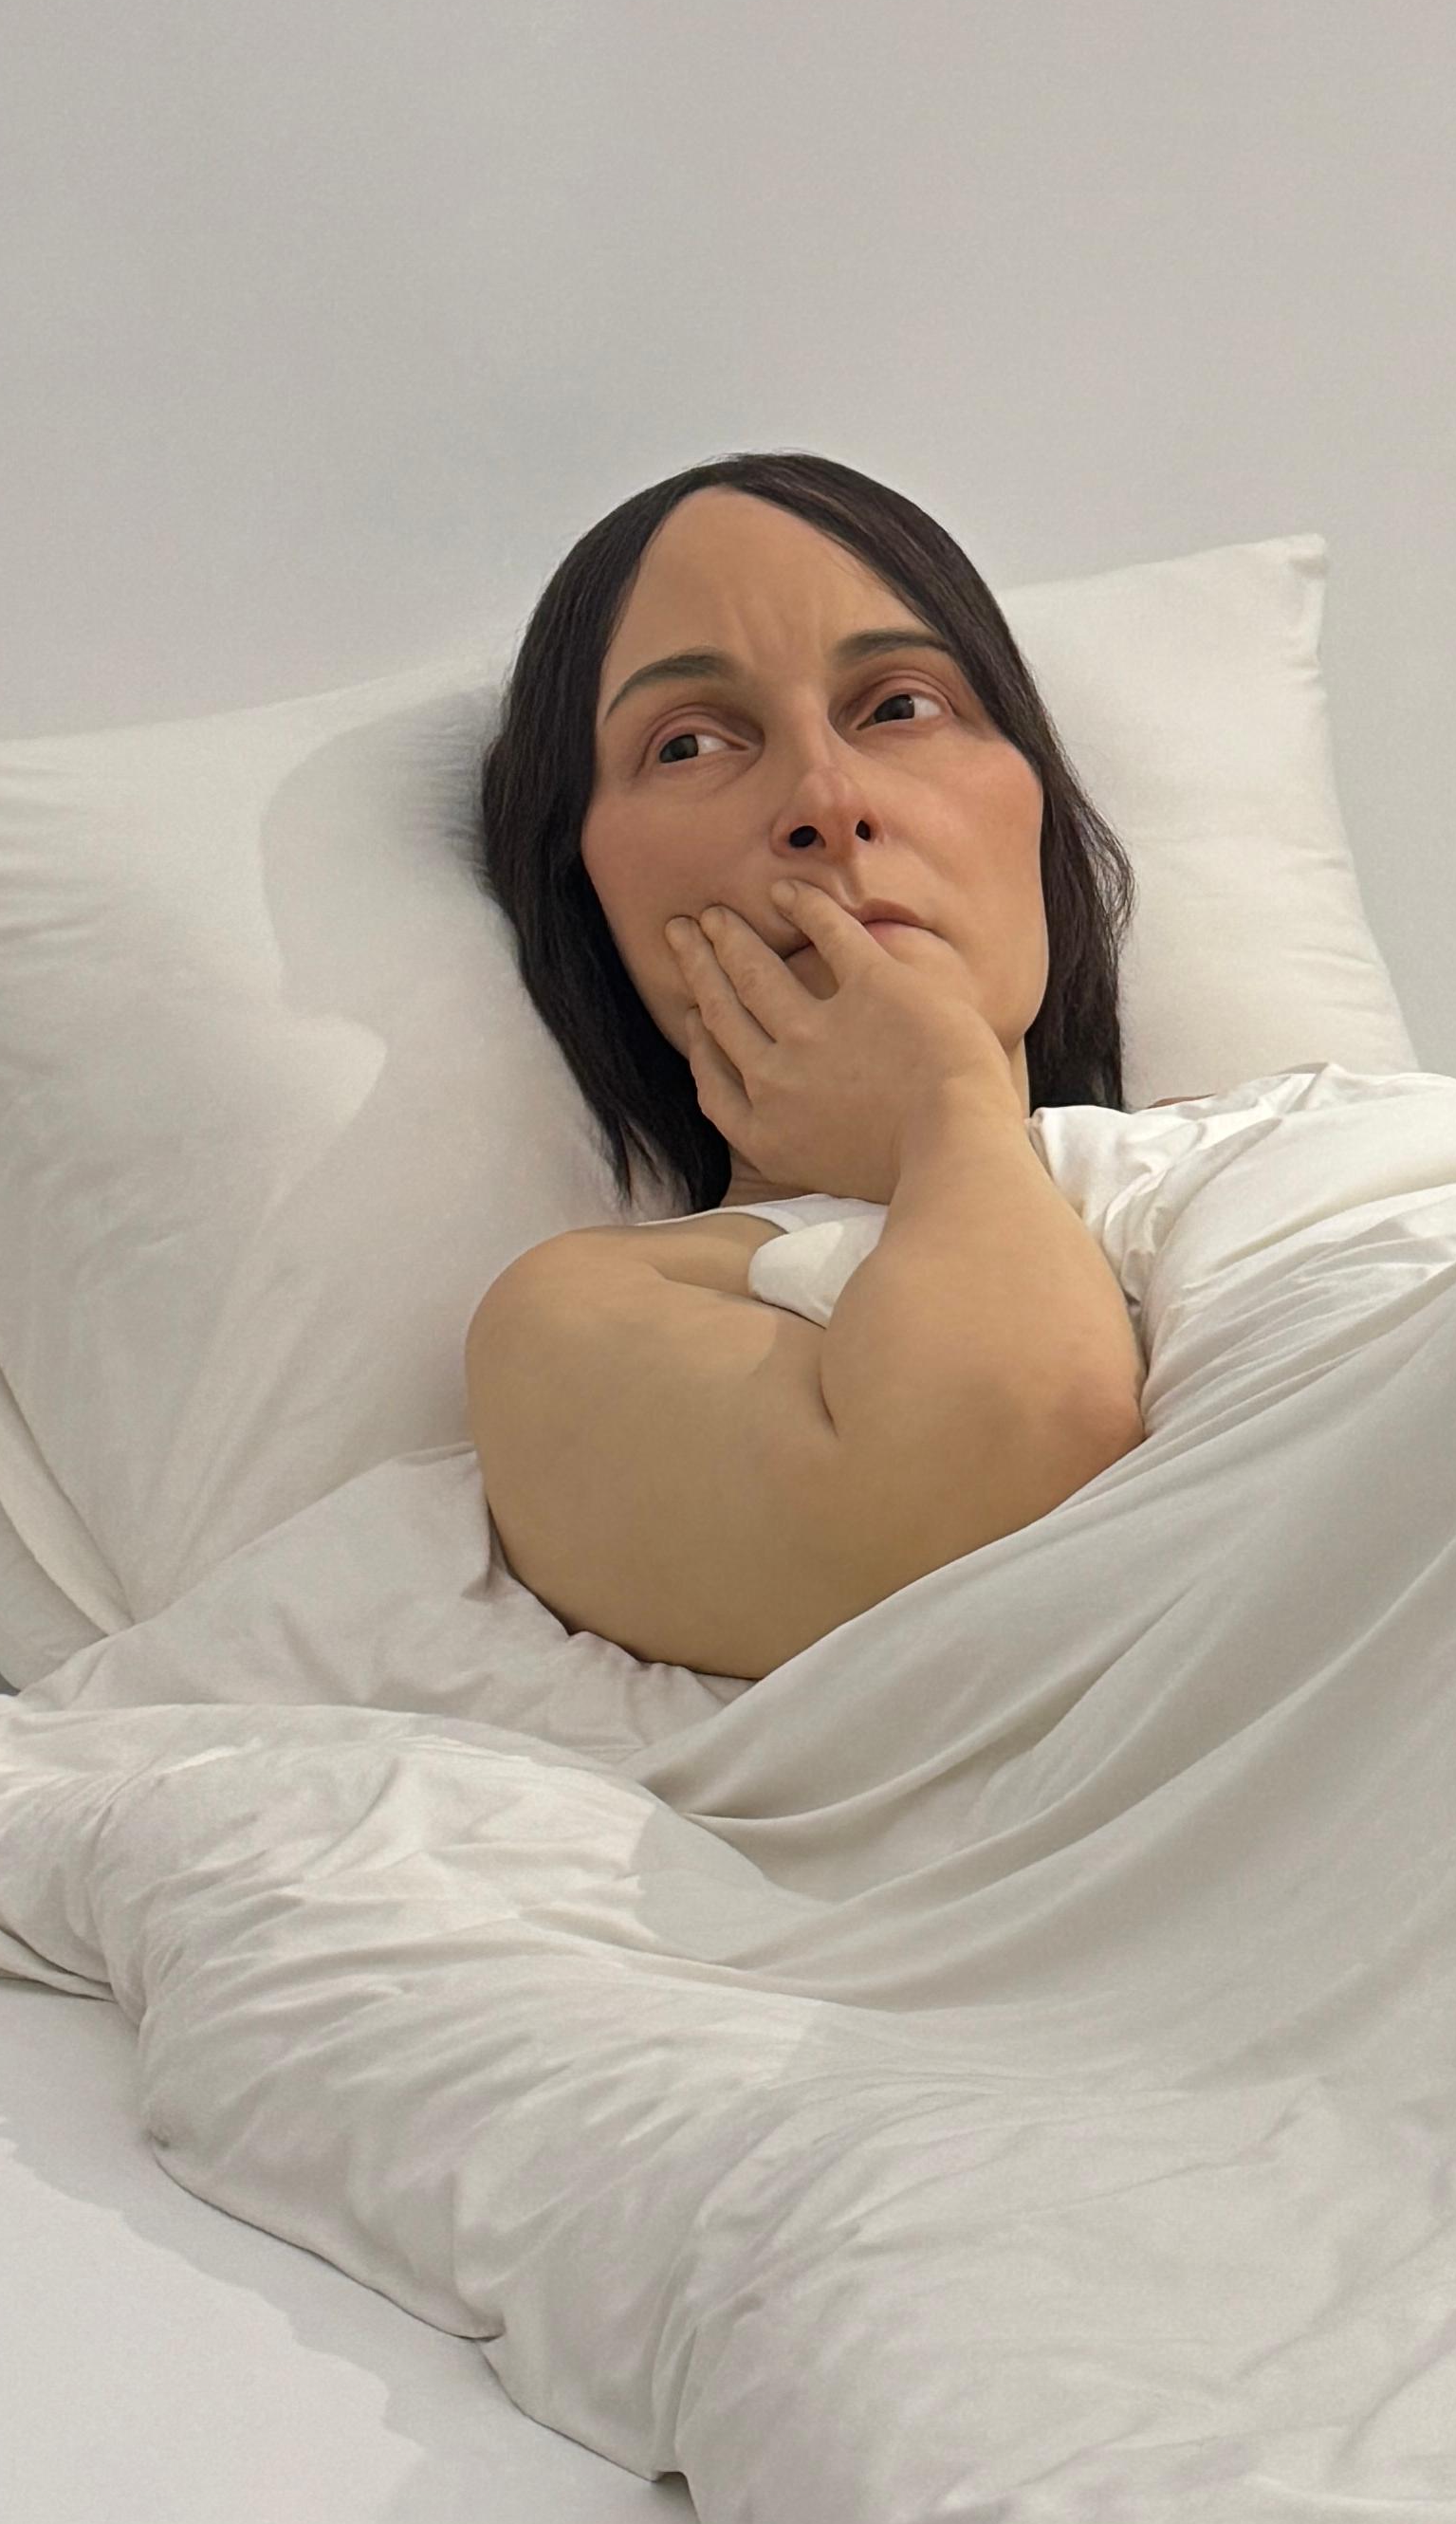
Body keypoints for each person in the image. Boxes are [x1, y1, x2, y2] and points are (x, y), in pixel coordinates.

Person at [469, 452, 1149, 1677]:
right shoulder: (579, 1322)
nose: (828, 800)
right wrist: (942, 1112)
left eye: (899, 707)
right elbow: (1011, 1500)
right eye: (689, 743)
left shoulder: (1313, 1130)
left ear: (1036, 799)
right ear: (583, 889)